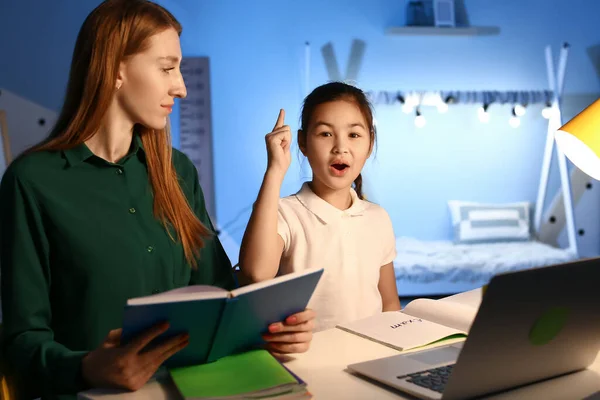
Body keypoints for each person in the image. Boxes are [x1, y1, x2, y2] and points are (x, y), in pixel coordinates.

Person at [0, 1, 314, 399]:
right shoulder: (32, 181)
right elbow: (20, 342)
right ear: (116, 68)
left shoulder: (177, 171)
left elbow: (217, 292)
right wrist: (85, 367)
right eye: (167, 68)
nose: (180, 86)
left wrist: (269, 326)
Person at [239, 82, 401, 332]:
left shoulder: (378, 218)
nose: (340, 147)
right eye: (325, 134)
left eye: (354, 135)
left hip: (371, 355)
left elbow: (389, 303)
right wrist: (275, 169)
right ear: (302, 142)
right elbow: (256, 273)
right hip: (307, 363)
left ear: (370, 144)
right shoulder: (285, 213)